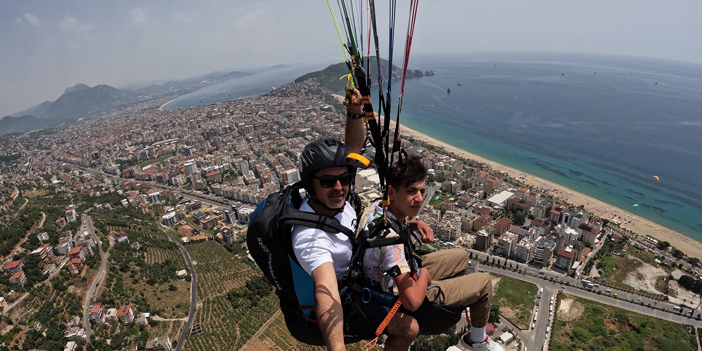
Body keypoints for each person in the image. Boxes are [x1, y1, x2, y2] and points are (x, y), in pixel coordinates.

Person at [291, 89, 432, 351]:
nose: (338, 187)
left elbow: (352, 149)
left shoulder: (338, 202)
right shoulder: (309, 237)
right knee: (409, 327)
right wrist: (338, 349)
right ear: (310, 185)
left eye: (344, 180)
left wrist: (355, 111)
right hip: (348, 298)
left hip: (363, 272)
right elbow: (327, 292)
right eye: (326, 181)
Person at [359, 153, 503, 351]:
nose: (419, 199)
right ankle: (476, 339)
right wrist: (424, 277)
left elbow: (387, 235)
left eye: (421, 191)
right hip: (398, 297)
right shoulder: (392, 244)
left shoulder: (377, 207)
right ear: (392, 191)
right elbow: (412, 302)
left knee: (461, 256)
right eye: (411, 192)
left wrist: (412, 224)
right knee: (484, 282)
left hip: (387, 277)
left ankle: (447, 293)